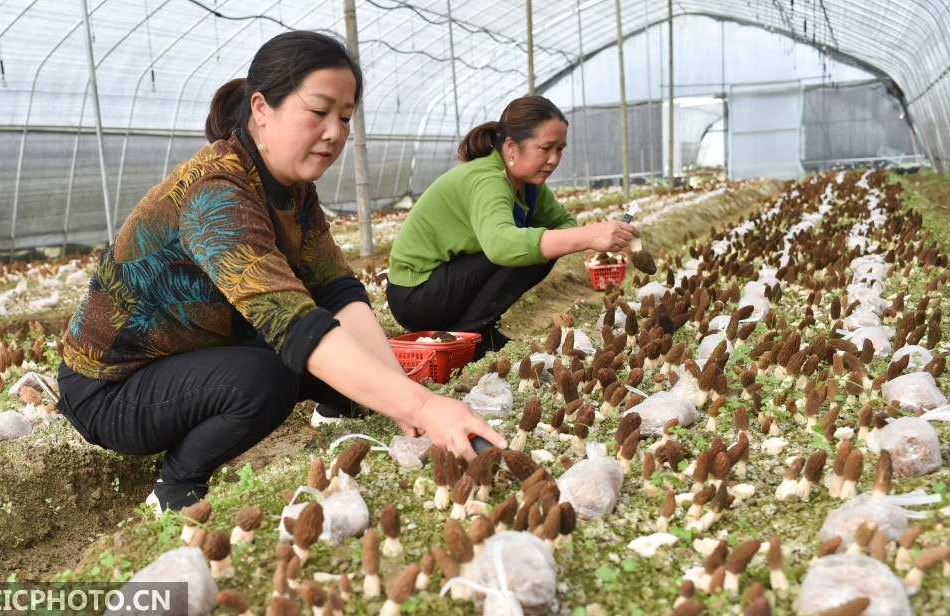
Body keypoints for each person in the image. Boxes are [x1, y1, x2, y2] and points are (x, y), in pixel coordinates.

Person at [56, 31, 505, 513]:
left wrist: (405, 396)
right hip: (113, 389)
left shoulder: (293, 187)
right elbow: (289, 320)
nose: (334, 132)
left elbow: (336, 290)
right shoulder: (214, 191)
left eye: (345, 117)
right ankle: (176, 485)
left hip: (194, 351)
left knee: (336, 346)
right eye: (319, 111)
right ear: (261, 109)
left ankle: (338, 410)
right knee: (269, 377)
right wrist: (426, 408)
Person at [386, 96, 639, 359]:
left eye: (560, 149)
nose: (554, 159)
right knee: (523, 249)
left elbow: (563, 224)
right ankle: (470, 335)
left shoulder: (527, 184)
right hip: (416, 295)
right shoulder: (488, 179)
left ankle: (479, 330)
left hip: (446, 284)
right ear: (511, 147)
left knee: (541, 246)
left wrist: (578, 236)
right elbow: (501, 245)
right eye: (546, 148)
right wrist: (587, 236)